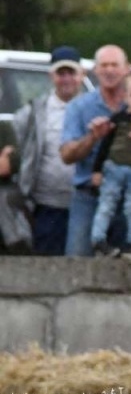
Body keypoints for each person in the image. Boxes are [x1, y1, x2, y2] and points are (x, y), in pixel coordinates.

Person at [11, 46, 86, 255]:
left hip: (84, 204)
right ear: (51, 76)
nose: (66, 79)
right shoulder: (35, 111)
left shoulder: (90, 108)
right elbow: (19, 142)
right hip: (46, 206)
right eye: (61, 73)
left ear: (81, 75)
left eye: (71, 73)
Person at [59, 44, 131, 257]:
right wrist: (92, 137)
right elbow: (66, 155)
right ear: (95, 70)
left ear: (126, 69)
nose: (109, 70)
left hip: (128, 198)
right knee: (77, 262)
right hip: (88, 197)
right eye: (104, 65)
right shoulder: (79, 107)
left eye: (114, 65)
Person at [89, 70, 131, 257]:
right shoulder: (118, 118)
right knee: (107, 203)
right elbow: (105, 145)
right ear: (125, 97)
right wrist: (97, 170)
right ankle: (98, 238)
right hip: (114, 167)